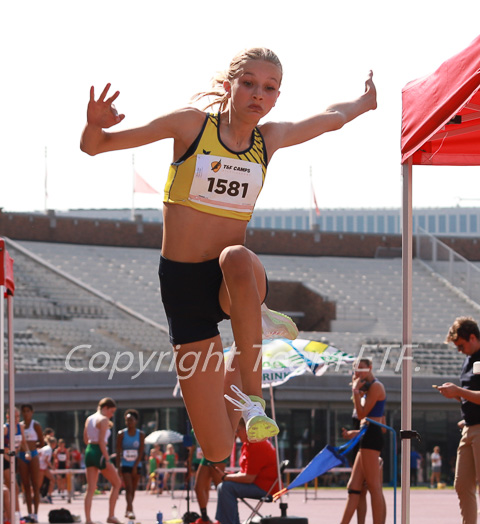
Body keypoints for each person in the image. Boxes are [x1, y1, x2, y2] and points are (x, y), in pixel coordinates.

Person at [80, 49, 377, 468]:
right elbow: (95, 147)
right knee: (218, 451)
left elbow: (331, 117)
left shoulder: (267, 140)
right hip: (183, 289)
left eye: (269, 88)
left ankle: (254, 395)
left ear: (276, 97)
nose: (259, 94)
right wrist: (94, 124)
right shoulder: (190, 125)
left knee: (237, 255)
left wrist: (365, 103)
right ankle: (253, 327)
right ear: (229, 86)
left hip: (232, 277)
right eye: (249, 83)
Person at [319, 357, 387, 524]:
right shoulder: (368, 389)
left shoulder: (375, 387)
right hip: (365, 437)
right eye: (355, 369)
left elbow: (366, 415)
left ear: (370, 368)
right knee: (354, 487)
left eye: (362, 369)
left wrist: (355, 391)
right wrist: (355, 433)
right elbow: (370, 420)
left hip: (371, 440)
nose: (358, 373)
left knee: (373, 486)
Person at [437, 317, 480, 524]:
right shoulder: (469, 361)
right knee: (462, 484)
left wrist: (458, 391)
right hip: (470, 428)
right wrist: (456, 396)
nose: (460, 350)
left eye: (461, 345)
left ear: (473, 337)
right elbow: (470, 395)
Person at [210, 418, 279, 524]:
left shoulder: (257, 445)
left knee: (225, 487)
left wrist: (226, 477)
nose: (236, 434)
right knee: (225, 486)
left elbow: (248, 478)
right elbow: (246, 473)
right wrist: (229, 476)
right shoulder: (248, 444)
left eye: (238, 430)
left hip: (267, 489)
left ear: (247, 429)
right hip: (260, 485)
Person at [83, 397, 123, 524]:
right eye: (111, 411)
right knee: (117, 483)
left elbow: (85, 438)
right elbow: (101, 441)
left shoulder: (89, 418)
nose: (112, 415)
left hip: (89, 450)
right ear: (105, 408)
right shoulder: (104, 419)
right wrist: (107, 459)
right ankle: (111, 515)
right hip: (99, 451)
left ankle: (88, 520)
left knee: (91, 488)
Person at [116, 409, 145, 520]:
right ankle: (131, 510)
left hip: (136, 465)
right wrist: (118, 467)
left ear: (136, 421)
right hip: (125, 464)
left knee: (133, 489)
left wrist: (135, 465)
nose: (129, 422)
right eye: (127, 420)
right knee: (128, 487)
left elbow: (141, 451)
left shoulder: (140, 434)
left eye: (131, 420)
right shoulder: (121, 434)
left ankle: (127, 509)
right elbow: (118, 451)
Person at [18, 404, 44, 523]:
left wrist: (33, 448)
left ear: (32, 412)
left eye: (28, 411)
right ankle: (29, 513)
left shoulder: (36, 425)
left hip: (33, 454)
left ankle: (36, 514)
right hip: (22, 455)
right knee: (26, 485)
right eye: (24, 411)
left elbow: (42, 442)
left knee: (35, 485)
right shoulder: (20, 426)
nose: (26, 413)